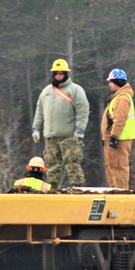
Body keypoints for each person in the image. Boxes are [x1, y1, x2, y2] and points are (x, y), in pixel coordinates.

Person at [32, 59, 90, 191]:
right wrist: (36, 128)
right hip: (51, 137)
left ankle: (77, 190)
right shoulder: (46, 92)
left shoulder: (75, 90)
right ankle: (53, 191)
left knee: (72, 164)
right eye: (56, 73)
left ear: (66, 74)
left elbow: (82, 111)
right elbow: (39, 111)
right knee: (52, 166)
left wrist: (80, 129)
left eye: (61, 73)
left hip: (69, 137)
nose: (59, 75)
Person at [100, 68, 135, 189]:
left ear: (118, 83)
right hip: (113, 138)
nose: (109, 84)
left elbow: (119, 120)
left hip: (119, 139)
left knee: (118, 166)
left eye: (111, 82)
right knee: (111, 166)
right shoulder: (118, 97)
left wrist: (114, 137)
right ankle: (115, 190)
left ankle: (121, 193)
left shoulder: (122, 98)